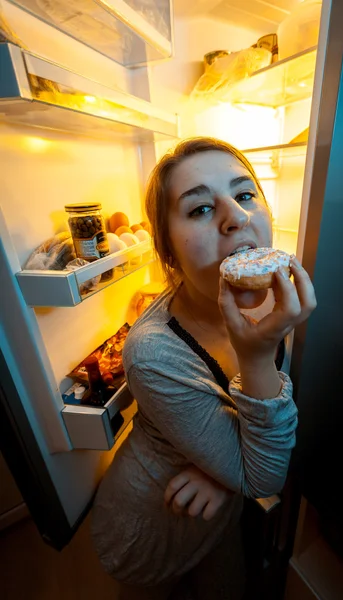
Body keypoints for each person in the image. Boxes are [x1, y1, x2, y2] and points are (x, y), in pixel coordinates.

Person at [91, 137, 317, 599]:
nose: (236, 216)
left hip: (220, 506)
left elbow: (257, 459)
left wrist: (226, 473)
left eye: (246, 194)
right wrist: (240, 469)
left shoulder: (283, 297)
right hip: (152, 524)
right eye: (198, 210)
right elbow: (263, 475)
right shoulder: (152, 353)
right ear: (168, 251)